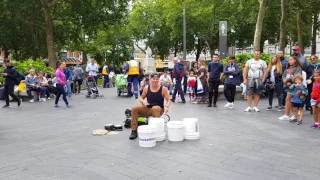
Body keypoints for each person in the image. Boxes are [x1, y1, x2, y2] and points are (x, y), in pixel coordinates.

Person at [129, 73, 171, 140]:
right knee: (134, 109)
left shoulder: (163, 89)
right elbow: (141, 98)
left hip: (158, 109)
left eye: (157, 79)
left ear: (159, 80)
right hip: (148, 108)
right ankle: (134, 131)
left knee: (155, 108)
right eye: (153, 79)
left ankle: (157, 131)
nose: (155, 80)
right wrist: (143, 101)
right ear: (150, 80)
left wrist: (166, 106)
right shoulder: (146, 88)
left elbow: (168, 100)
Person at [278, 56, 303, 120]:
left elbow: (297, 76)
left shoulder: (298, 68)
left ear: (295, 60)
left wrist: (288, 81)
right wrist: (284, 80)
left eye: (291, 60)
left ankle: (288, 115)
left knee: (288, 99)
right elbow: (283, 75)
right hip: (288, 86)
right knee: (290, 100)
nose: (289, 61)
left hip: (294, 86)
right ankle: (291, 115)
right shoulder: (288, 68)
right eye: (289, 60)